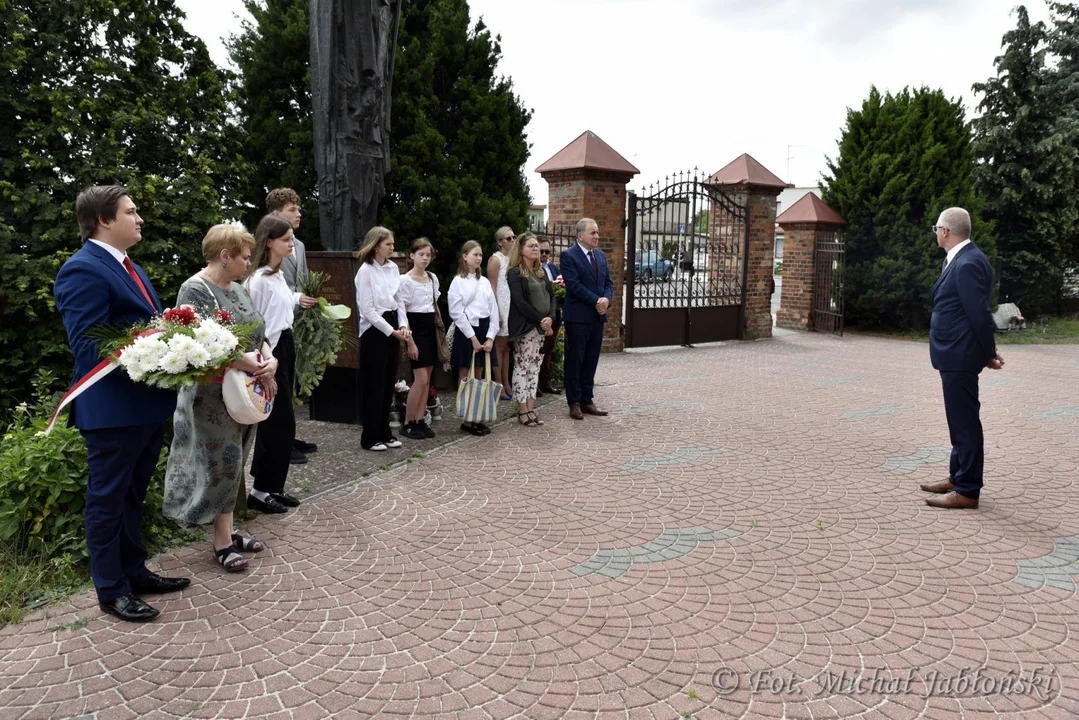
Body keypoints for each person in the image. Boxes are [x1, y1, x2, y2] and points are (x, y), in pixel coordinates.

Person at [53, 185, 187, 623]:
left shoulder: (131, 267)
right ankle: (111, 589)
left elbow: (146, 325)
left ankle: (134, 571)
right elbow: (88, 344)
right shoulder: (82, 270)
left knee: (132, 495)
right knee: (107, 500)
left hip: (145, 404)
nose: (140, 218)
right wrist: (154, 344)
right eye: (131, 212)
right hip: (112, 409)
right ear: (104, 220)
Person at [163, 225, 277, 571]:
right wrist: (257, 365)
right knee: (221, 464)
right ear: (224, 256)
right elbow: (200, 345)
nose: (248, 263)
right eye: (243, 257)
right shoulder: (194, 289)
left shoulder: (240, 289)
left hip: (243, 391)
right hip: (209, 397)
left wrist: (270, 358)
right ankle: (222, 542)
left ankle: (228, 528)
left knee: (236, 460)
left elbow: (260, 332)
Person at [921, 207, 1004, 510]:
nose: (937, 234)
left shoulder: (968, 262)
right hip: (955, 353)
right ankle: (958, 477)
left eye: (937, 229)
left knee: (965, 422)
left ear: (945, 231)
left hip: (960, 354)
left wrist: (988, 353)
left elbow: (979, 315)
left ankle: (968, 489)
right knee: (959, 421)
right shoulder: (963, 259)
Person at [244, 215, 304, 513]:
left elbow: (283, 307)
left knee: (285, 422)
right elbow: (252, 322)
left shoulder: (277, 275)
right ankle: (259, 490)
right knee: (276, 421)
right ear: (269, 241)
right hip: (270, 351)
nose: (291, 243)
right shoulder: (257, 280)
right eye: (286, 239)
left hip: (285, 344)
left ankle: (273, 486)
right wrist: (263, 359)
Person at [266, 187, 319, 465]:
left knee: (294, 379)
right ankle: (280, 442)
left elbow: (303, 277)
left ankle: (290, 434)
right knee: (280, 383)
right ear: (276, 214)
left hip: (297, 317)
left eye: (298, 209)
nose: (299, 213)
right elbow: (276, 284)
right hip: (278, 321)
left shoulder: (298, 245)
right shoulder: (267, 244)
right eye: (292, 210)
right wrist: (297, 298)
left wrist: (310, 297)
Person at [354, 226, 411, 451]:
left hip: (392, 324)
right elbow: (367, 309)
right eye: (388, 244)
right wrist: (391, 330)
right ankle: (370, 436)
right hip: (374, 330)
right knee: (374, 384)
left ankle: (385, 432)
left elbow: (399, 300)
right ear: (376, 244)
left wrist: (404, 325)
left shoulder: (393, 268)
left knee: (388, 382)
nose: (392, 247)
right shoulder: (366, 271)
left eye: (393, 244)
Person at [559, 218, 613, 420]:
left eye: (597, 232)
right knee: (575, 359)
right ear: (580, 235)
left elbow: (608, 281)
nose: (597, 236)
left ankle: (587, 400)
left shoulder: (600, 256)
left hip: (597, 318)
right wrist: (596, 300)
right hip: (578, 318)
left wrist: (606, 300)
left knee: (591, 359)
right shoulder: (568, 256)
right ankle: (574, 402)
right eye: (593, 233)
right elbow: (573, 285)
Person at [448, 240, 500, 436]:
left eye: (480, 255)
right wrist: (472, 338)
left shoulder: (485, 281)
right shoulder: (457, 282)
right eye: (474, 254)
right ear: (464, 256)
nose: (478, 258)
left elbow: (493, 310)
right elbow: (456, 311)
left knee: (479, 374)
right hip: (467, 330)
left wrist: (490, 337)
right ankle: (467, 419)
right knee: (466, 374)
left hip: (484, 330)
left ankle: (477, 416)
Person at [506, 232, 556, 427]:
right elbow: (520, 303)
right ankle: (522, 411)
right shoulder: (515, 273)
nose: (536, 249)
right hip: (526, 328)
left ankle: (532, 407)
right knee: (523, 367)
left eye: (537, 246)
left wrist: (550, 318)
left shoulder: (541, 272)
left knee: (535, 368)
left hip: (542, 328)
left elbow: (552, 297)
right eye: (531, 246)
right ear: (521, 250)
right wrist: (540, 320)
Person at [487, 226, 515, 400]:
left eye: (513, 238)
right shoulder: (495, 259)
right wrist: (495, 312)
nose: (512, 241)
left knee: (507, 348)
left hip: (511, 306)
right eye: (508, 238)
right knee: (499, 346)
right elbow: (492, 286)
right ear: (499, 242)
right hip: (500, 305)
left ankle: (507, 383)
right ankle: (499, 385)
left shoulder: (512, 259)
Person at [537, 237, 563, 396]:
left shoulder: (554, 268)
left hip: (555, 314)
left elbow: (561, 286)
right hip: (540, 315)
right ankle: (536, 384)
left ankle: (546, 382)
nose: (545, 254)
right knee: (538, 350)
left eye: (548, 251)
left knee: (549, 350)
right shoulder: (532, 269)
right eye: (542, 251)